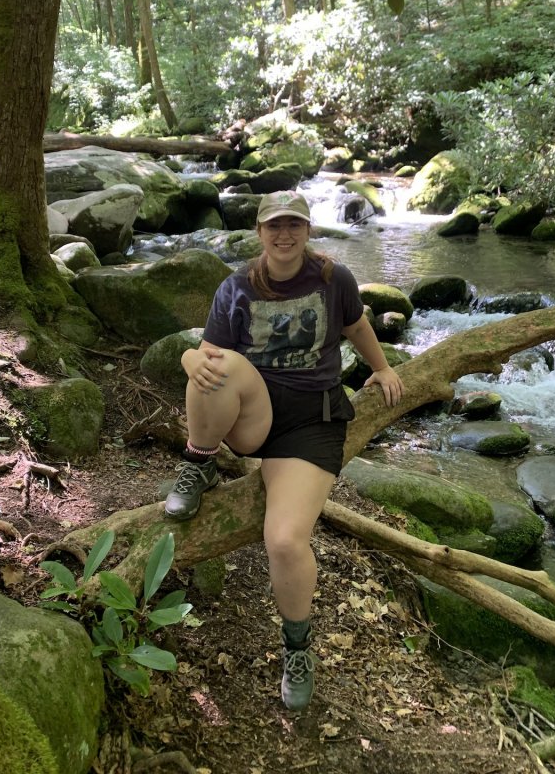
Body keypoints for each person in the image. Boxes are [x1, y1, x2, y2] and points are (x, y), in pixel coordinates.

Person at [164, 189, 405, 710]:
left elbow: (356, 324)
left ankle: (297, 647)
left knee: (285, 540)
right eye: (275, 226)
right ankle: (198, 462)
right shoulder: (237, 286)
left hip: (312, 424)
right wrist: (187, 358)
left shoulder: (331, 278)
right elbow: (208, 354)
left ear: (308, 229)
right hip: (255, 415)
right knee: (218, 368)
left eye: (294, 224)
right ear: (259, 232)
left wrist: (382, 368)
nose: (285, 234)